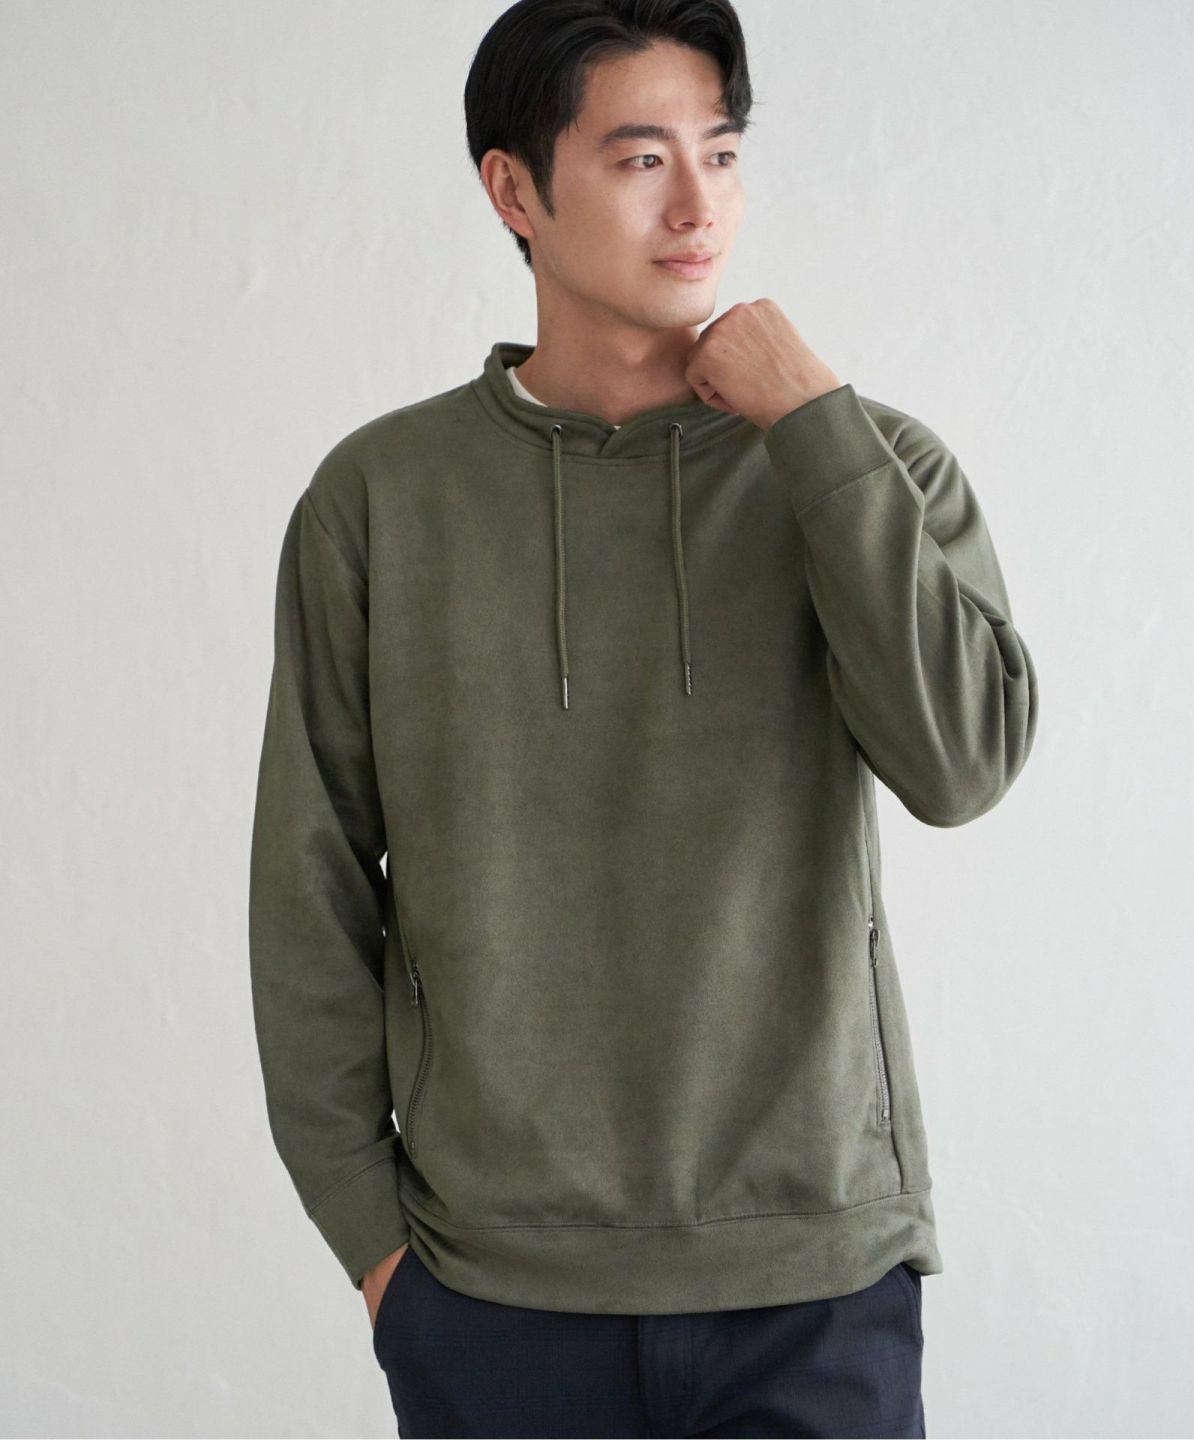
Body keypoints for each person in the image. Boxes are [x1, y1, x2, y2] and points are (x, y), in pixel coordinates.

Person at [247, 1, 1039, 1434]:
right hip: (493, 1295)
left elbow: (963, 764)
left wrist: (813, 427)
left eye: (721, 154)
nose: (698, 206)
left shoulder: (866, 465)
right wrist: (376, 1249)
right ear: (513, 190)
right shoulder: (382, 500)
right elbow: (311, 889)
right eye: (639, 160)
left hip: (814, 1279)